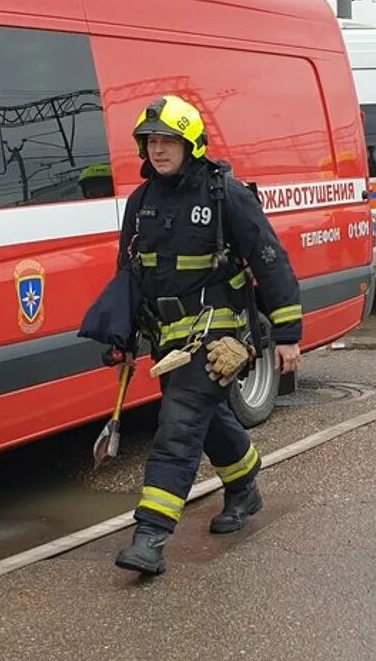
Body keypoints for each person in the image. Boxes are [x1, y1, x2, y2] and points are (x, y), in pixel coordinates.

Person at [112, 95, 303, 575]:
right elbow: (129, 274)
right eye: (151, 141)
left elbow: (270, 259)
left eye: (168, 141)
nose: (158, 150)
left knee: (178, 425)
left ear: (190, 144)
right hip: (168, 339)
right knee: (209, 419)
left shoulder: (225, 194)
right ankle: (244, 486)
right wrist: (121, 333)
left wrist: (287, 334)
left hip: (219, 335)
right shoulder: (141, 202)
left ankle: (151, 535)